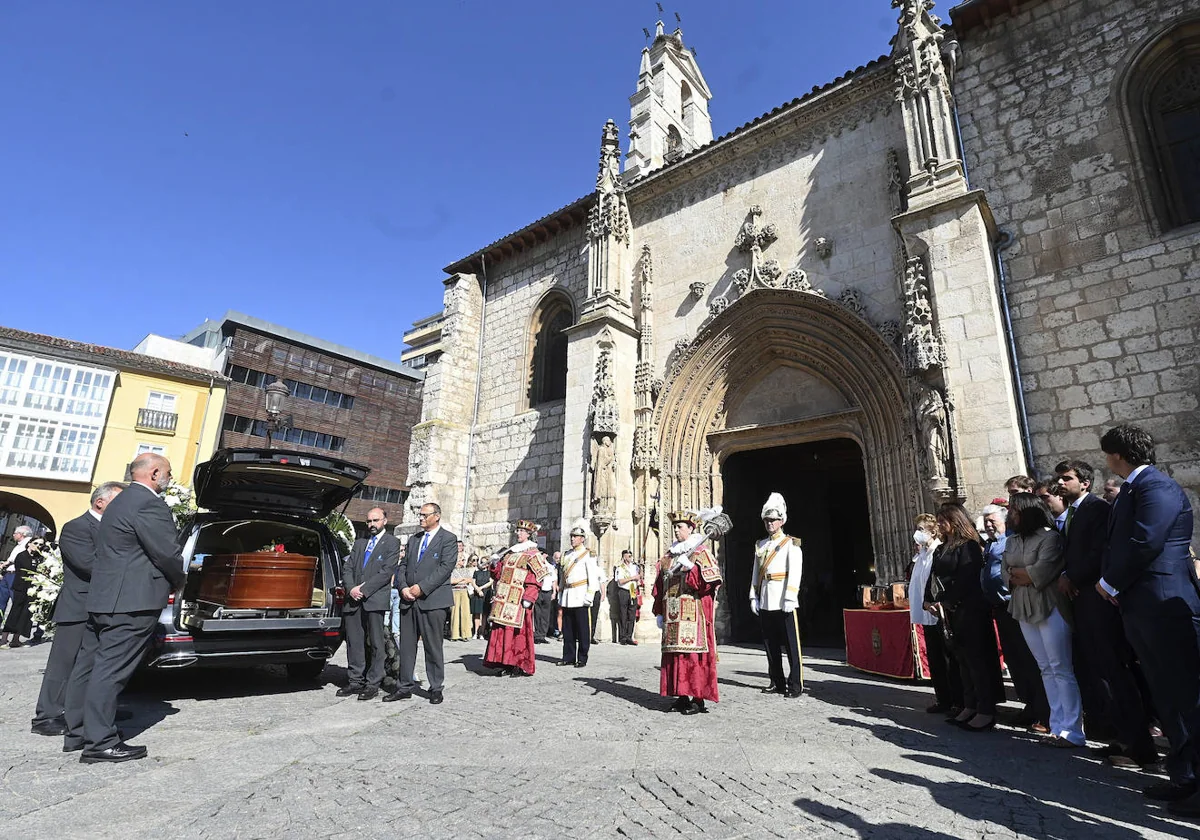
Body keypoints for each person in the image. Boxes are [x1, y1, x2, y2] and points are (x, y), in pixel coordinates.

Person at [1096, 425, 1199, 813]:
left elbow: (1146, 539)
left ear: (1117, 454)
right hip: (1143, 606)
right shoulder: (1136, 488)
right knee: (1168, 695)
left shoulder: (1155, 486)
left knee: (1185, 694)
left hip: (1163, 602)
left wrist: (1110, 582)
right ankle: (1184, 776)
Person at [62, 453, 186, 763]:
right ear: (154, 473)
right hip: (132, 602)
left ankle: (78, 731)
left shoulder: (119, 501)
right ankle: (100, 742)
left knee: (89, 667)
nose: (169, 478)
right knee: (111, 671)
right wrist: (180, 580)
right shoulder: (149, 504)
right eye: (167, 473)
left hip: (104, 599)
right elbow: (167, 553)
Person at [1055, 459, 1156, 769]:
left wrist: (1072, 576)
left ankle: (1140, 746)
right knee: (1102, 673)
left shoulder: (1097, 509)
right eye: (1059, 478)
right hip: (1082, 602)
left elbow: (1100, 553)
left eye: (1067, 478)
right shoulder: (1075, 512)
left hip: (1097, 601)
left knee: (1116, 672)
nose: (1060, 483)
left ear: (1085, 483)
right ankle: (1120, 737)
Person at [30, 483, 125, 736]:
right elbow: (89, 564)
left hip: (104, 605)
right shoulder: (77, 527)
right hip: (78, 606)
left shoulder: (112, 529)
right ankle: (47, 715)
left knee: (92, 664)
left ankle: (86, 710)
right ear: (100, 502)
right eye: (118, 501)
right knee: (63, 663)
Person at [1003, 493, 1083, 747]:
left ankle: (1073, 730)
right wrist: (1021, 573)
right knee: (1044, 667)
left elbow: (1042, 572)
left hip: (1049, 605)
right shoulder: (1013, 540)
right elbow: (1005, 572)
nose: (1011, 515)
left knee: (1061, 667)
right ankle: (1056, 725)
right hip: (1023, 605)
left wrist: (1022, 573)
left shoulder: (1049, 537)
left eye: (1015, 510)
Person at [980, 501, 1049, 733]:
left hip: (1016, 603)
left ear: (1005, 520)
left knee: (1029, 659)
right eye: (986, 521)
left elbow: (1015, 570)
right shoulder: (991, 544)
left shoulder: (1012, 541)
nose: (988, 525)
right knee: (1015, 659)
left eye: (993, 520)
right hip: (1000, 607)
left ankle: (1043, 711)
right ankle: (1029, 705)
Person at [930, 503, 997, 732]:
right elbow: (936, 576)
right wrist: (933, 601)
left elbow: (968, 577)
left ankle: (986, 710)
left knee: (977, 660)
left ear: (955, 520)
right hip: (950, 611)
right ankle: (969, 705)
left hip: (969, 609)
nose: (939, 525)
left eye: (943, 520)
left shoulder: (968, 546)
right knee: (962, 660)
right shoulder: (943, 547)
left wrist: (949, 601)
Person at [387, 502, 458, 704]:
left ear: (437, 516)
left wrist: (421, 588)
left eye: (424, 515)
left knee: (433, 646)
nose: (421, 518)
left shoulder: (448, 539)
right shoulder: (414, 540)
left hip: (433, 601)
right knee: (407, 646)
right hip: (409, 600)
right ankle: (404, 685)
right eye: (420, 515)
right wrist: (402, 587)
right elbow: (403, 566)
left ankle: (435, 687)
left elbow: (445, 568)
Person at [653, 510, 722, 715]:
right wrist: (658, 610)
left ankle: (697, 699)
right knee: (676, 655)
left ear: (691, 529)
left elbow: (711, 581)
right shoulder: (670, 554)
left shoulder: (700, 551)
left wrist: (691, 567)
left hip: (693, 614)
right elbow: (660, 583)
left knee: (693, 656)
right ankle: (682, 696)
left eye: (680, 527)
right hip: (673, 614)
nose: (676, 530)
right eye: (674, 527)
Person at [338, 507, 401, 701]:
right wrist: (351, 589)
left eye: (375, 520)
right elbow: (347, 568)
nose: (372, 525)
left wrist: (363, 590)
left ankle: (373, 682)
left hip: (374, 600)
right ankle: (355, 680)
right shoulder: (359, 543)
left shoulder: (392, 542)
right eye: (369, 521)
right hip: (353, 600)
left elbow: (386, 572)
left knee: (376, 643)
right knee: (354, 643)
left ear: (385, 520)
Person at [750, 493, 804, 698]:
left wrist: (791, 595)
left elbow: (795, 570)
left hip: (783, 598)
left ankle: (795, 684)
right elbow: (756, 572)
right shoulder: (760, 545)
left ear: (781, 521)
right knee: (770, 644)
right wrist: (753, 596)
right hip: (765, 597)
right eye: (767, 520)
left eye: (773, 520)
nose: (770, 523)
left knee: (791, 644)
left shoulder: (791, 543)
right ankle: (776, 681)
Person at [483, 520, 549, 677]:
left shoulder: (533, 554)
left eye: (521, 531)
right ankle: (504, 662)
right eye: (517, 530)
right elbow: (499, 575)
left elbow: (537, 578)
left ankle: (518, 664)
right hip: (504, 597)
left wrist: (529, 597)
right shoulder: (509, 553)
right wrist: (494, 564)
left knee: (517, 633)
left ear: (528, 534)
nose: (518, 533)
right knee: (502, 630)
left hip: (519, 598)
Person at [910, 513, 961, 714]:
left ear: (933, 531)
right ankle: (943, 698)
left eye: (921, 530)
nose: (917, 534)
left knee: (948, 655)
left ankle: (956, 699)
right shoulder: (922, 554)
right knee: (935, 656)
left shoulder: (937, 552)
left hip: (939, 610)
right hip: (926, 610)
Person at [557, 519, 602, 668]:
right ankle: (568, 656)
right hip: (568, 595)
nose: (572, 539)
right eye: (571, 536)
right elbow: (563, 577)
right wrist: (561, 594)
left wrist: (589, 596)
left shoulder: (588, 555)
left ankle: (582, 657)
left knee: (583, 629)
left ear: (582, 539)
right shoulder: (567, 555)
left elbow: (593, 578)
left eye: (575, 536)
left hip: (581, 594)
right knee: (568, 629)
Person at [1, 531, 39, 648]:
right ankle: (4, 639)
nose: (37, 546)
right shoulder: (22, 555)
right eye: (36, 543)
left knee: (25, 614)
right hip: (20, 587)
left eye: (40, 545)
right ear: (29, 543)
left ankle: (16, 639)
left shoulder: (37, 557)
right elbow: (21, 570)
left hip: (31, 589)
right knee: (15, 612)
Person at [613, 549, 641, 645]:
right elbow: (620, 581)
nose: (630, 557)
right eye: (628, 556)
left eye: (631, 555)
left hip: (632, 591)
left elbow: (639, 578)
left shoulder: (635, 567)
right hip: (623, 592)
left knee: (632, 615)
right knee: (623, 614)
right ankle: (623, 637)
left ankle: (629, 636)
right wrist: (633, 578)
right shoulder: (620, 568)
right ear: (624, 557)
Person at [449, 544, 473, 642]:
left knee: (465, 612)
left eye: (463, 560)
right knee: (455, 612)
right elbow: (451, 581)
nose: (462, 561)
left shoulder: (466, 570)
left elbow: (469, 580)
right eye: (461, 560)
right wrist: (462, 579)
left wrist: (460, 580)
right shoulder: (452, 570)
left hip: (464, 591)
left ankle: (465, 634)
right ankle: (454, 634)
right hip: (455, 591)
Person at [533, 548, 557, 644]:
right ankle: (537, 635)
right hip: (538, 591)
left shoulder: (550, 567)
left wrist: (554, 592)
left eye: (541, 554)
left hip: (547, 591)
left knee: (545, 614)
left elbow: (554, 580)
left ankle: (542, 635)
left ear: (545, 555)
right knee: (537, 613)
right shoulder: (536, 566)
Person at [469, 555, 491, 639]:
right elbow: (473, 582)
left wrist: (481, 588)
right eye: (481, 562)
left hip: (486, 593)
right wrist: (477, 589)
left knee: (484, 614)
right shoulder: (476, 572)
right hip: (477, 593)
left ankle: (482, 632)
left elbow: (490, 582)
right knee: (477, 613)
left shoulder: (489, 572)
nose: (483, 564)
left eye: (485, 562)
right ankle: (475, 632)